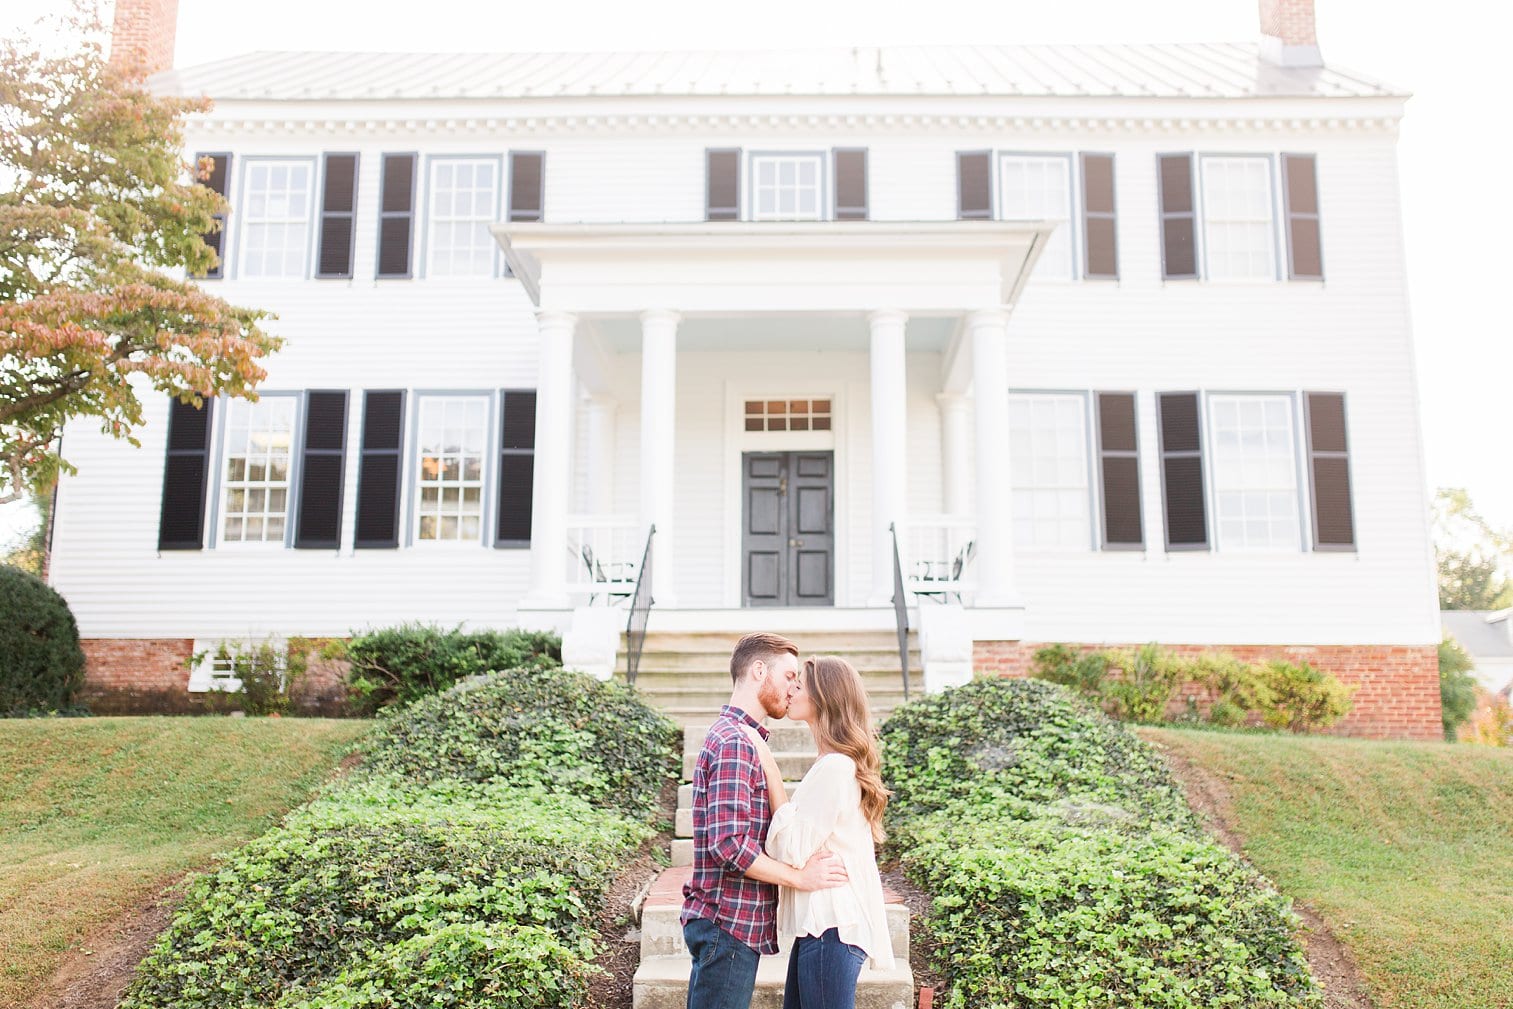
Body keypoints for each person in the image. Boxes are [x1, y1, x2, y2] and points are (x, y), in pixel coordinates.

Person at [681, 632, 851, 1009]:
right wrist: (799, 878)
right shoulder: (735, 743)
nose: (794, 687)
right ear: (759, 671)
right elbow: (729, 846)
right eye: (789, 675)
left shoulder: (741, 739)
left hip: (730, 923)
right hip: (726, 922)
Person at [743, 655, 895, 1009]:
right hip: (823, 927)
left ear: (824, 697)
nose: (791, 689)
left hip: (832, 926)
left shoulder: (836, 767)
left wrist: (768, 766)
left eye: (800, 685)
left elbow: (792, 848)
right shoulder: (832, 764)